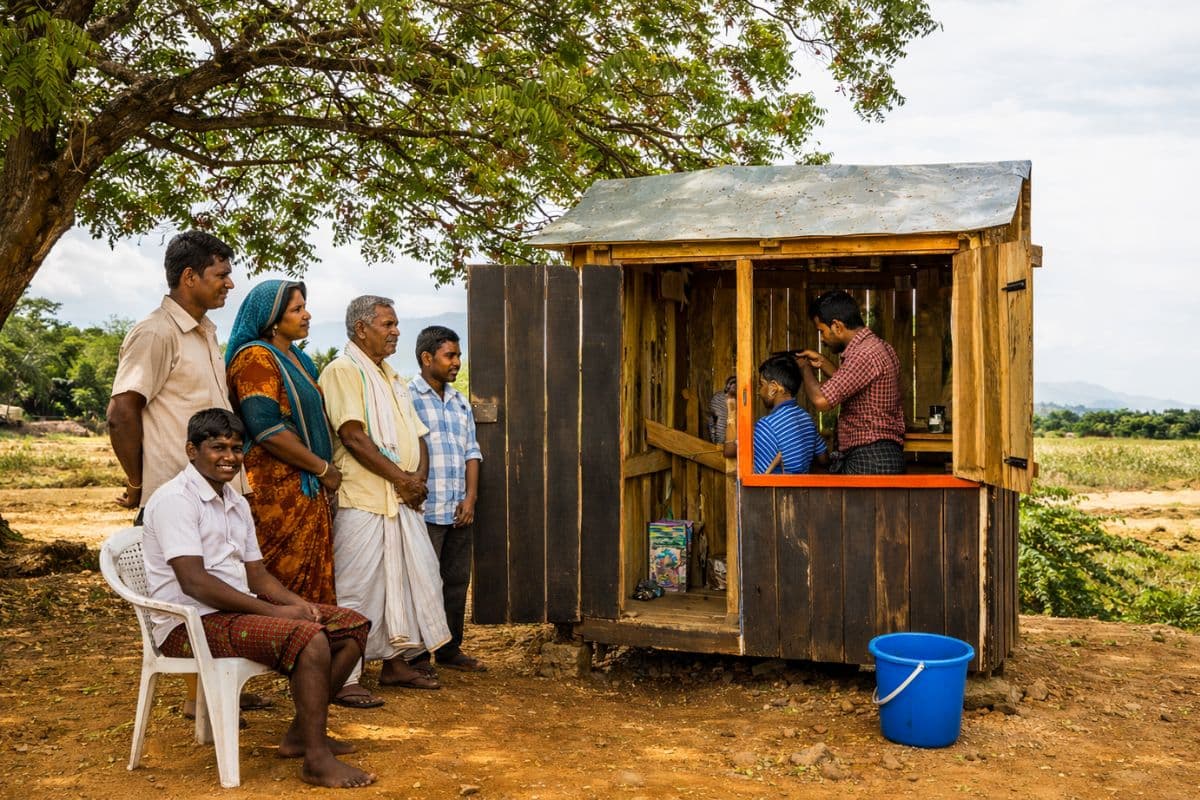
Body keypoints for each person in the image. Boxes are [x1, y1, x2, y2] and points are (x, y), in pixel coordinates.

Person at [141, 409, 376, 788]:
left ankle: (302, 734)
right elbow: (194, 583)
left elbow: (257, 574)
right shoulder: (175, 501)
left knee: (350, 627)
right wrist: (276, 613)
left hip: (232, 613)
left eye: (236, 448)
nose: (229, 457)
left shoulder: (234, 500)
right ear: (191, 450)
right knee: (310, 638)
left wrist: (298, 605)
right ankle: (317, 759)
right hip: (190, 624)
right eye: (217, 447)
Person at [106, 229, 267, 719]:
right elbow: (121, 411)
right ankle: (208, 703)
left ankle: (212, 694)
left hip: (216, 492)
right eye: (221, 274)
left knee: (223, 585)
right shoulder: (156, 332)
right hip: (176, 497)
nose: (230, 284)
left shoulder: (205, 331)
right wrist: (140, 483)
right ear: (189, 276)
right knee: (192, 594)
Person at [319, 296, 451, 705]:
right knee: (357, 589)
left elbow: (418, 434)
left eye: (396, 324)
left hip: (401, 500)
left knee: (405, 584)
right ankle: (345, 677)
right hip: (365, 499)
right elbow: (352, 435)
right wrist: (402, 480)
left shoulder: (391, 376)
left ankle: (395, 663)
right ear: (362, 329)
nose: (396, 331)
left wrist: (418, 479)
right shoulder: (344, 370)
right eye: (388, 324)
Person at [226, 280, 342, 605]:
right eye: (296, 309)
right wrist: (322, 468)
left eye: (304, 306)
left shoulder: (301, 361)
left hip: (305, 488)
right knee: (281, 587)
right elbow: (266, 429)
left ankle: (313, 651)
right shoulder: (255, 359)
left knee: (313, 587)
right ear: (272, 318)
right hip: (274, 494)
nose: (307, 314)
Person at [408, 326, 486, 672]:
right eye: (449, 356)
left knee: (456, 583)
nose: (457, 362)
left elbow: (472, 451)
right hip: (424, 510)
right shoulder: (406, 397)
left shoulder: (459, 401)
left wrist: (470, 499)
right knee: (422, 583)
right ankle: (418, 654)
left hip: (457, 510)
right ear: (427, 358)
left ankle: (450, 649)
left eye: (457, 355)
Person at [794, 290, 907, 474]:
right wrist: (822, 362)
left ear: (837, 326)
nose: (822, 339)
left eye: (822, 331)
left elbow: (821, 401)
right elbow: (852, 382)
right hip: (881, 455)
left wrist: (804, 367)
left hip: (870, 459)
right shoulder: (879, 346)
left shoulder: (863, 354)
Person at [723, 354, 827, 474]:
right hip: (800, 491)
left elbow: (731, 451)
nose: (759, 392)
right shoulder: (807, 419)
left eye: (761, 385)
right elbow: (823, 459)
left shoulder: (767, 425)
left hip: (778, 492)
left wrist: (731, 409)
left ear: (773, 388)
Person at [707, 375, 737, 444]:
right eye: (733, 386)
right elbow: (716, 421)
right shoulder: (718, 398)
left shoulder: (739, 401)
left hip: (732, 441)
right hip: (719, 439)